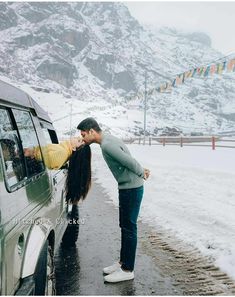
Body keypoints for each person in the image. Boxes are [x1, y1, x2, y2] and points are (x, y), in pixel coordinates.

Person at [77, 117, 150, 283]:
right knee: (124, 226)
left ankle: (127, 269)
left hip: (131, 188)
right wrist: (140, 170)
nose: (83, 138)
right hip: (127, 187)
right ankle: (123, 262)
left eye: (83, 134)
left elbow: (128, 161)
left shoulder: (107, 145)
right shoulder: (107, 139)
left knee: (129, 227)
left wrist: (141, 172)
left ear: (92, 132)